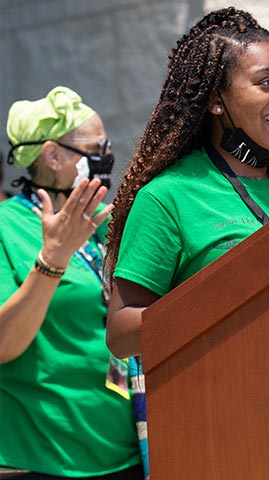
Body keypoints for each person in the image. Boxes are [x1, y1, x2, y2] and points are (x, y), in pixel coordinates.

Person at [104, 7, 269, 359]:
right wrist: (227, 290)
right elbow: (122, 334)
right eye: (266, 82)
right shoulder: (169, 196)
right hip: (224, 398)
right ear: (216, 100)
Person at [0, 86, 143, 479]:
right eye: (95, 149)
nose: (106, 158)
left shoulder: (107, 220)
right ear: (51, 154)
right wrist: (52, 261)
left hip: (129, 450)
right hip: (45, 457)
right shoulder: (6, 227)